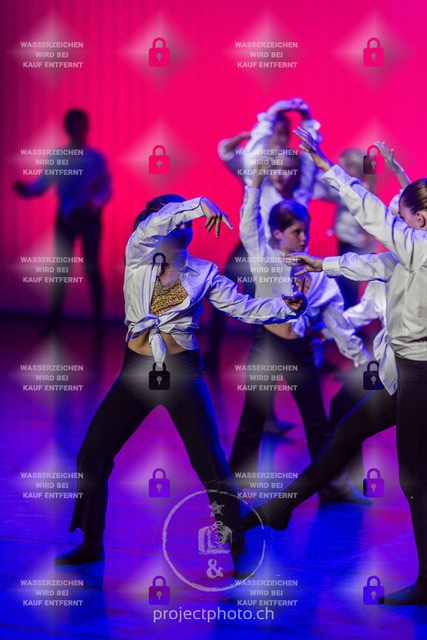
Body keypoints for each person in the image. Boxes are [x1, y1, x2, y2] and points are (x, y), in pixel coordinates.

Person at [54, 193, 308, 580]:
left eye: (189, 224)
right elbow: (157, 224)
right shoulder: (138, 254)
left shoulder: (203, 272)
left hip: (183, 371)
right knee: (91, 455)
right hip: (136, 370)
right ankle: (92, 543)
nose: (186, 229)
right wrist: (199, 204)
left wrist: (286, 307)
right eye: (178, 223)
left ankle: (237, 543)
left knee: (210, 462)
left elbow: (242, 306)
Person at [235, 127, 427, 604]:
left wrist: (326, 167)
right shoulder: (412, 252)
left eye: (404, 221)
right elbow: (374, 264)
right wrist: (322, 264)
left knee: (414, 481)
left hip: (421, 377)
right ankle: (282, 507)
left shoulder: (422, 249)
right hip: (402, 375)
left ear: (419, 222)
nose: (396, 227)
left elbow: (374, 214)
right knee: (345, 432)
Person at [228, 161, 371, 504]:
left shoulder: (319, 272)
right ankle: (233, 487)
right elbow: (249, 223)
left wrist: (364, 360)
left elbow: (337, 322)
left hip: (300, 351)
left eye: (306, 231)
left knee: (316, 422)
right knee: (252, 418)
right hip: (267, 345)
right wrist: (255, 183)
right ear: (277, 234)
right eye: (296, 232)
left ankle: (333, 486)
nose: (304, 238)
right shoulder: (263, 256)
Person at [13, 109, 112, 331]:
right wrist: (26, 189)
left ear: (86, 128)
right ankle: (54, 322)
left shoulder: (96, 159)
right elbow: (43, 184)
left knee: (92, 268)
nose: (77, 132)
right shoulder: (58, 157)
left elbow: (106, 188)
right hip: (67, 216)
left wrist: (95, 202)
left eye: (80, 127)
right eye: (73, 127)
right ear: (67, 129)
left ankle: (99, 324)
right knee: (60, 270)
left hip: (89, 216)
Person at [312, 148, 376, 308]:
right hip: (351, 243)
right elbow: (329, 192)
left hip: (355, 245)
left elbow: (331, 188)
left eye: (341, 167)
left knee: (348, 284)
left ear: (352, 170)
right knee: (346, 281)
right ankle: (344, 312)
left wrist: (316, 169)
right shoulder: (358, 188)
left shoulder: (356, 190)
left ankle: (346, 315)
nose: (338, 171)